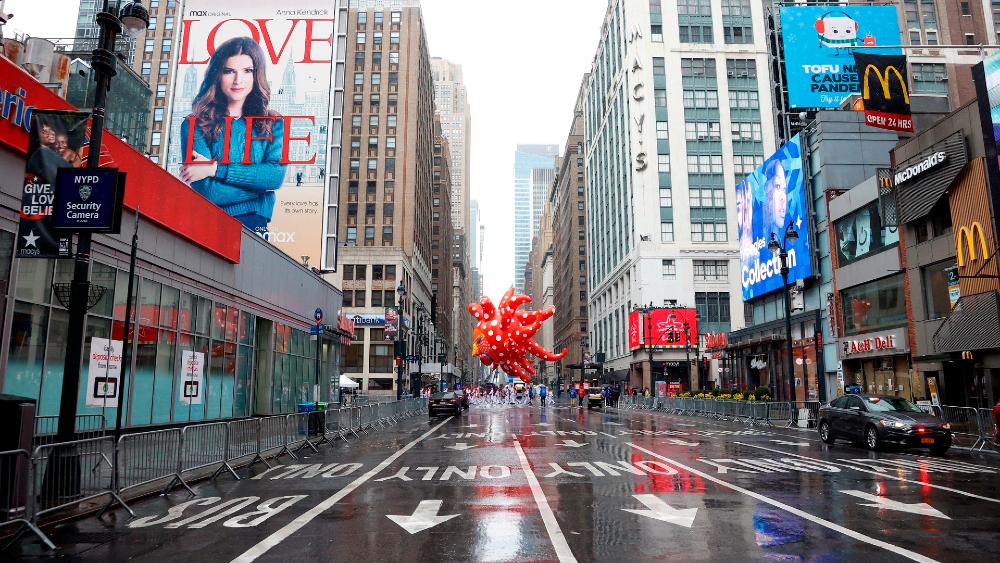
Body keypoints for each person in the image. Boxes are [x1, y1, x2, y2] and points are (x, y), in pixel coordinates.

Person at [179, 36, 287, 237]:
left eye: (247, 71)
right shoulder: (195, 125)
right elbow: (209, 193)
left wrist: (215, 169)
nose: (238, 80)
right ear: (217, 75)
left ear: (257, 76)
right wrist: (261, 191)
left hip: (255, 225)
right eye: (229, 71)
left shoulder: (273, 124)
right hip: (208, 222)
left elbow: (274, 177)